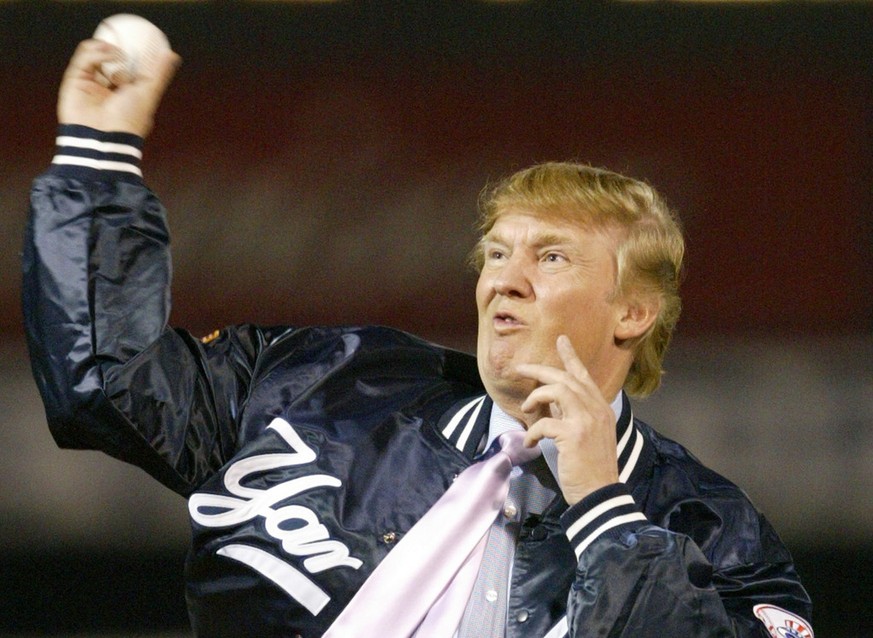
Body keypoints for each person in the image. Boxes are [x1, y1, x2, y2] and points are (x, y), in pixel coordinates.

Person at [23, 38, 813, 638]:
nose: (504, 278)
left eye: (550, 257)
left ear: (632, 313)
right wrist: (97, 153)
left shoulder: (713, 530)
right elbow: (104, 383)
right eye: (497, 252)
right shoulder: (326, 384)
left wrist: (602, 508)